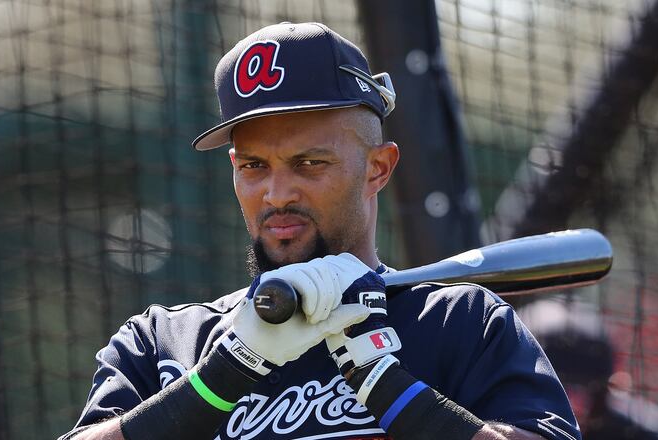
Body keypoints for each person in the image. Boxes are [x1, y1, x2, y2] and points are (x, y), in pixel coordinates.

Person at [60, 22, 581, 440]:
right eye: (254, 166)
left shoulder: (461, 322)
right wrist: (226, 373)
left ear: (377, 168)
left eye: (309, 163)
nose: (277, 193)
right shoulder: (164, 342)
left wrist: (379, 380)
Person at [537, 328, 658, 440]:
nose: (576, 404)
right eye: (566, 388)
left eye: (587, 390)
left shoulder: (634, 433)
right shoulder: (528, 423)